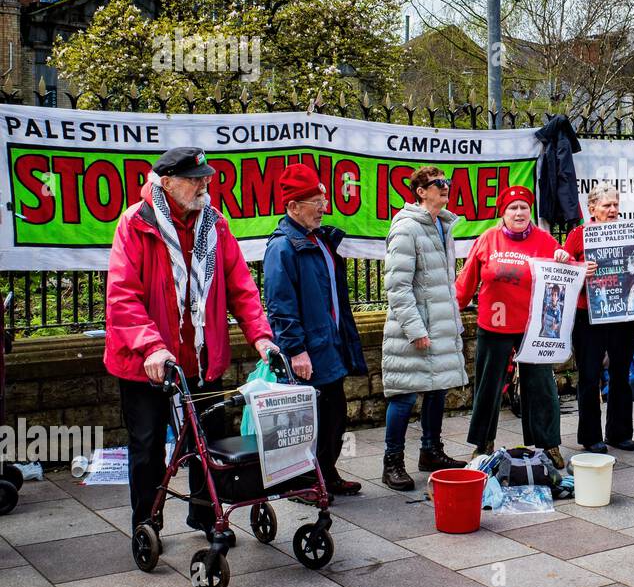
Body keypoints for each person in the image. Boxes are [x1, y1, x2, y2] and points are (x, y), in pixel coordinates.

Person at [105, 146, 277, 545]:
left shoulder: (214, 224)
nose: (204, 183)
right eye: (195, 178)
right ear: (166, 183)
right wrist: (151, 346)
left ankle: (205, 516)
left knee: (209, 443)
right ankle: (146, 523)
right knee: (147, 448)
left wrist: (262, 337)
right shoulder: (135, 224)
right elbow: (122, 296)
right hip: (146, 363)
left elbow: (241, 287)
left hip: (200, 359)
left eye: (206, 177)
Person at [262, 163, 368, 502]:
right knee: (308, 422)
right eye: (315, 201)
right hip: (308, 351)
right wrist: (295, 350)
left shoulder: (317, 240)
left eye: (323, 198)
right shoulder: (283, 247)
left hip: (329, 346)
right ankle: (301, 482)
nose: (323, 206)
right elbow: (280, 306)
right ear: (293, 207)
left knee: (335, 415)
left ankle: (326, 472)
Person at [456, 186, 565, 468]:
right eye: (513, 208)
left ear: (531, 211)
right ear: (503, 213)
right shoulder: (487, 240)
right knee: (488, 386)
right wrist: (451, 310)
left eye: (524, 208)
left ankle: (548, 443)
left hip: (533, 327)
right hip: (493, 325)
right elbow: (466, 282)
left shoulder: (545, 241)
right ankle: (482, 444)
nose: (519, 213)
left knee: (541, 385)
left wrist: (568, 261)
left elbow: (565, 277)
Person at [380, 166, 469, 491]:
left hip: (439, 326)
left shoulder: (441, 226)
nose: (446, 188)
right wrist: (416, 329)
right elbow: (398, 287)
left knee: (437, 390)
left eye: (447, 183)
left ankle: (431, 451)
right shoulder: (407, 229)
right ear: (420, 191)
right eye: (438, 184)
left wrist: (453, 323)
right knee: (404, 396)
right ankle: (392, 463)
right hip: (413, 331)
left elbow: (443, 284)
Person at [557, 182, 634, 453]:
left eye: (616, 205)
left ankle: (619, 433)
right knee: (589, 377)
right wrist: (581, 269)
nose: (613, 210)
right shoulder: (578, 234)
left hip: (622, 313)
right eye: (606, 205)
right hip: (587, 315)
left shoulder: (630, 232)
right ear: (592, 208)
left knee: (621, 374)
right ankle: (591, 437)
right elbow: (563, 269)